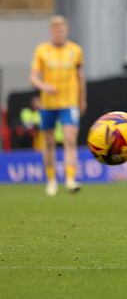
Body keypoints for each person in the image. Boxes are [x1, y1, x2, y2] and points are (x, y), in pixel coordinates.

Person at [29, 16, 86, 195]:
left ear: (66, 31)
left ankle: (70, 179)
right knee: (48, 142)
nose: (58, 33)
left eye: (60, 29)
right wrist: (44, 86)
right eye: (54, 30)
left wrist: (82, 99)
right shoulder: (42, 50)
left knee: (70, 138)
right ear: (51, 32)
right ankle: (51, 180)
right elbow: (33, 76)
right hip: (48, 103)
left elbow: (79, 77)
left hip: (69, 102)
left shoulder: (75, 51)